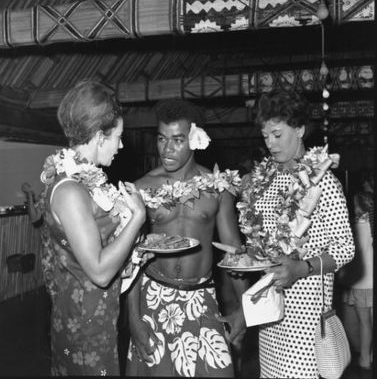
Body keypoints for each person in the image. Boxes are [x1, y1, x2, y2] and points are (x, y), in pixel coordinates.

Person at [226, 90, 355, 378]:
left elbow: (346, 248)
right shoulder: (263, 180)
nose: (269, 143)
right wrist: (247, 258)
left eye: (276, 134)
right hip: (271, 311)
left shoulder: (324, 182)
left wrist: (302, 268)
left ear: (299, 129)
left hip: (307, 312)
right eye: (265, 136)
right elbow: (262, 239)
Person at [126, 98, 248, 377]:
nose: (167, 149)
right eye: (161, 138)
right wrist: (133, 318)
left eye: (177, 140)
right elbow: (131, 258)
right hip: (153, 298)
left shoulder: (219, 188)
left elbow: (234, 252)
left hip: (201, 298)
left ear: (195, 139)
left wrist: (244, 308)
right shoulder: (142, 188)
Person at [39, 80, 151, 376]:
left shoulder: (84, 182)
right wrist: (137, 218)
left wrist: (133, 250)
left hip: (96, 319)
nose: (122, 145)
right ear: (100, 136)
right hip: (82, 328)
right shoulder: (71, 191)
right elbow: (100, 271)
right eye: (118, 136)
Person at [341, 169, 373, 370]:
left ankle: (364, 358)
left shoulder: (354, 228)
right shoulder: (370, 225)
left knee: (363, 323)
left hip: (362, 283)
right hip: (371, 280)